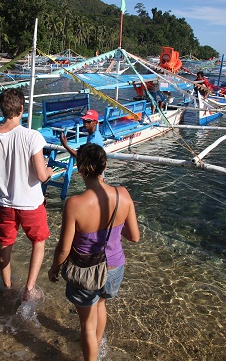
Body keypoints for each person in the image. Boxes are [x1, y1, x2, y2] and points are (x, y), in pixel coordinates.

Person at [48, 143, 140, 361]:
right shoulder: (123, 195)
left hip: (86, 271)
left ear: (79, 169)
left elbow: (64, 248)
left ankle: (91, 355)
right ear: (104, 165)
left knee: (86, 325)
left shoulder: (74, 204)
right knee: (101, 304)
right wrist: (113, 225)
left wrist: (54, 268)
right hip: (115, 268)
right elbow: (134, 236)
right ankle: (96, 349)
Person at [0, 88, 54, 300]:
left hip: (4, 203)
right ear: (22, 109)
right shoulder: (32, 136)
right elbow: (41, 175)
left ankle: (7, 286)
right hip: (30, 203)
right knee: (38, 243)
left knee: (5, 244)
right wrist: (49, 171)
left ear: (3, 109)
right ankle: (29, 290)